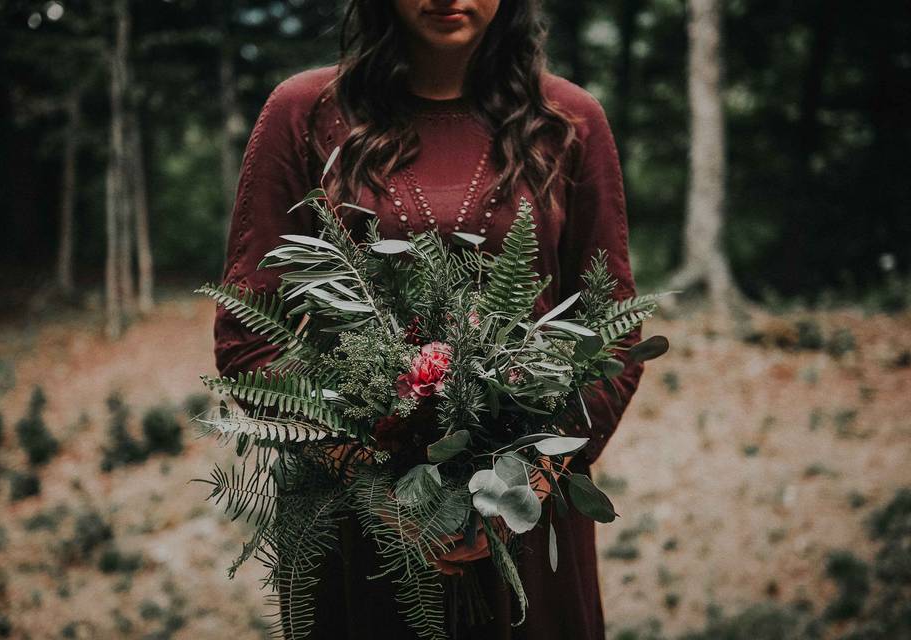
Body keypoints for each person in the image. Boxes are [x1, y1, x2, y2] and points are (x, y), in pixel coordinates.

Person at [212, 1, 645, 638]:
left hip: (527, 525)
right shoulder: (306, 113)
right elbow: (249, 337)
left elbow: (613, 331)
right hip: (364, 529)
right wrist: (371, 480)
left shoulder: (569, 121)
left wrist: (523, 483)